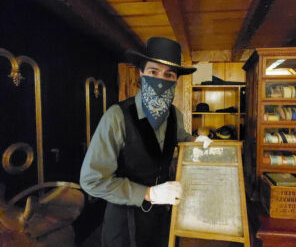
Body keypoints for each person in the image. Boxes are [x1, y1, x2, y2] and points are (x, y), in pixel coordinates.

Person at [80, 37, 210, 247]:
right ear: (141, 73)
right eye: (153, 72)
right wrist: (148, 193)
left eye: (169, 74)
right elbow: (91, 180)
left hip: (163, 220)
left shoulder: (175, 115)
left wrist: (196, 141)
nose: (161, 80)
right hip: (125, 223)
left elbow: (180, 138)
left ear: (176, 80)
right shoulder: (117, 116)